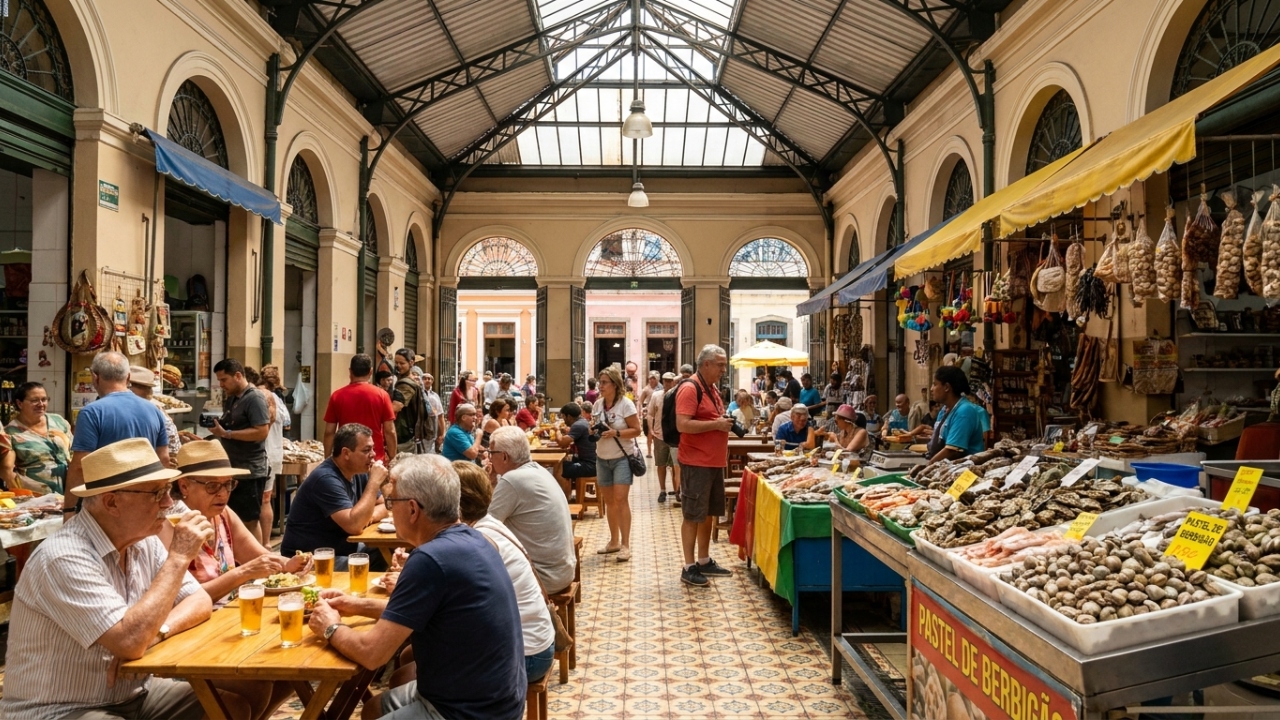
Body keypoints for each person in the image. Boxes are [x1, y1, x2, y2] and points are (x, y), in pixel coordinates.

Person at [0, 438, 238, 720]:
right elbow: (129, 641)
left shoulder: (142, 541)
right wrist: (178, 557)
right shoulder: (63, 557)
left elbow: (198, 600)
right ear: (112, 502)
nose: (168, 502)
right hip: (59, 709)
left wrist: (157, 634)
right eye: (156, 493)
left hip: (136, 695)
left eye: (167, 491)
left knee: (234, 704)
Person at [307, 455, 526, 720]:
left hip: (470, 711)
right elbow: (418, 612)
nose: (388, 509)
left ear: (412, 509)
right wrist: (354, 605)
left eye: (391, 502)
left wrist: (330, 627)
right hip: (500, 697)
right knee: (374, 708)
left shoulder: (430, 559)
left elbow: (372, 654)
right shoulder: (474, 538)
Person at [171, 442, 309, 613]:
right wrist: (244, 572)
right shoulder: (171, 525)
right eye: (212, 486)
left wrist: (289, 564)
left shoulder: (223, 514)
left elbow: (260, 557)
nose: (222, 493)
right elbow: (182, 599)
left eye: (228, 484)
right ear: (184, 486)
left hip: (231, 615)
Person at [456, 460, 555, 683]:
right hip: (538, 641)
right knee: (416, 656)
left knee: (422, 663)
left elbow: (451, 605)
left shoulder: (478, 539)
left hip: (527, 655)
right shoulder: (487, 523)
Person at [65, 352, 170, 512]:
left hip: (108, 503)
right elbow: (164, 459)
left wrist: (69, 509)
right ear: (128, 378)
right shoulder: (154, 410)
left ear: (94, 377)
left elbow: (80, 466)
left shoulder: (91, 412)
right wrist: (159, 497)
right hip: (145, 498)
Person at [281, 423, 390, 568]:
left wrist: (366, 517)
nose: (373, 455)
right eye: (366, 450)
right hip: (309, 560)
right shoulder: (325, 479)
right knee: (371, 563)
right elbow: (354, 526)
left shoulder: (358, 471)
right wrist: (374, 483)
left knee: (392, 551)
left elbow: (384, 506)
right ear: (346, 453)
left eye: (373, 449)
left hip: (342, 549)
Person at [487, 426, 576, 593]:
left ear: (504, 456)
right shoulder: (537, 470)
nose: (490, 459)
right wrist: (493, 481)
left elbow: (486, 527)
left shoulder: (512, 479)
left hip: (542, 577)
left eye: (492, 454)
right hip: (562, 570)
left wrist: (486, 482)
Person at [675, 344, 735, 587]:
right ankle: (688, 567)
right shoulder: (691, 388)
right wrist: (716, 425)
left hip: (712, 463)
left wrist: (720, 423)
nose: (724, 369)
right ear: (706, 364)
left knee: (708, 513)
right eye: (720, 365)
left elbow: (711, 418)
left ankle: (703, 559)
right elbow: (683, 425)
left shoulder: (711, 389)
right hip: (695, 462)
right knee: (692, 515)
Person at [208, 358, 274, 542]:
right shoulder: (233, 399)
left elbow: (262, 431)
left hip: (250, 470)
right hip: (234, 468)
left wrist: (228, 434)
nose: (221, 385)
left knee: (249, 520)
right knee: (234, 518)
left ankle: (258, 561)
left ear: (238, 376)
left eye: (224, 380)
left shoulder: (254, 398)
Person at [592, 365, 642, 561]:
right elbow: (594, 428)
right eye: (600, 382)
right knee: (609, 502)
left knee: (621, 500)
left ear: (614, 384)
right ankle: (613, 541)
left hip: (622, 457)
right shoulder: (597, 405)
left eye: (604, 382)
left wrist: (616, 433)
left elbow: (637, 430)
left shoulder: (625, 405)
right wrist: (592, 432)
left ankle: (625, 544)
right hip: (602, 458)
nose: (601, 386)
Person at [2, 381, 73, 495]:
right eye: (34, 400)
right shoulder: (10, 433)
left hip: (70, 490)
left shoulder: (59, 421)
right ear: (19, 403)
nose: (41, 404)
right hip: (37, 496)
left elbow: (74, 451)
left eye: (44, 399)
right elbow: (7, 470)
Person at [324, 354, 397, 462]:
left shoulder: (337, 396)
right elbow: (390, 431)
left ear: (350, 371)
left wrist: (327, 458)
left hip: (346, 459)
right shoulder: (382, 395)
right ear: (371, 371)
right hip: (374, 458)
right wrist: (392, 457)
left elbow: (329, 432)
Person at [926, 366, 988, 463]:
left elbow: (952, 451)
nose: (931, 389)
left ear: (947, 387)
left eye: (934, 384)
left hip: (963, 471)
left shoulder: (965, 411)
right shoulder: (944, 410)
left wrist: (926, 468)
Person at [256, 371, 290, 544]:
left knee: (260, 500)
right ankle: (266, 542)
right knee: (266, 498)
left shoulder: (259, 396)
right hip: (275, 451)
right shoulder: (278, 399)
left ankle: (262, 543)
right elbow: (287, 422)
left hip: (263, 453)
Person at [128, 367, 182, 466]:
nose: (148, 391)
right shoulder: (140, 409)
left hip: (167, 462)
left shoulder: (153, 408)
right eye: (144, 387)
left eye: (149, 387)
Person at [392, 348, 435, 456]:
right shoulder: (407, 380)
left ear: (411, 363)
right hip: (408, 436)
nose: (398, 366)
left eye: (402, 363)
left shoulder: (406, 384)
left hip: (403, 437)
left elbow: (396, 407)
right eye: (396, 363)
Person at [647, 372, 681, 506]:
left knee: (676, 465)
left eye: (670, 381)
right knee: (660, 464)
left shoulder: (678, 396)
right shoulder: (656, 396)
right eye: (665, 381)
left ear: (674, 382)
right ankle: (662, 490)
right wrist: (651, 430)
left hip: (674, 436)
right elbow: (650, 414)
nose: (667, 383)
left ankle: (677, 490)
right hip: (660, 435)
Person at [556, 402, 597, 487]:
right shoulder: (583, 422)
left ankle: (565, 498)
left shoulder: (578, 425)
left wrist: (557, 430)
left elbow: (562, 443)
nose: (563, 420)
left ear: (569, 417)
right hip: (592, 462)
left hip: (590, 465)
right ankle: (570, 493)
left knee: (560, 467)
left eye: (564, 417)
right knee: (566, 460)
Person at [419, 373, 447, 452]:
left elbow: (440, 415)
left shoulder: (435, 396)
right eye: (425, 378)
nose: (427, 380)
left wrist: (442, 433)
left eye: (429, 379)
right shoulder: (418, 394)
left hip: (432, 430)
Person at [639, 372, 659, 457]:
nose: (651, 380)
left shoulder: (660, 388)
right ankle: (649, 451)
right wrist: (640, 411)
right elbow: (640, 401)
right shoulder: (646, 389)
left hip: (658, 413)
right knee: (649, 433)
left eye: (653, 378)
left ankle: (656, 451)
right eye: (650, 378)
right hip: (648, 413)